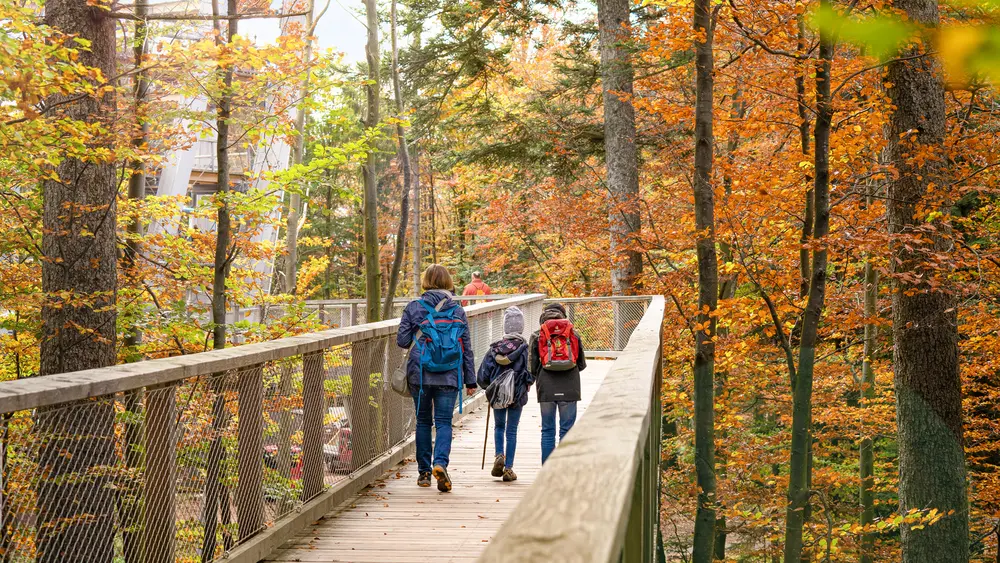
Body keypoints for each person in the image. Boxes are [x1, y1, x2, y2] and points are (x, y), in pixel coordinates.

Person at [397, 264, 477, 492]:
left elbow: (402, 341)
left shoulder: (414, 307)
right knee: (443, 422)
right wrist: (470, 380)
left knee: (423, 421)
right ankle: (440, 463)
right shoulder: (457, 310)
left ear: (426, 282)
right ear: (448, 282)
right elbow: (466, 347)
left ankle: (424, 473)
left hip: (420, 374)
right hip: (449, 374)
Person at [476, 306, 532, 482]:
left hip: (498, 396)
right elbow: (531, 373)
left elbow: (482, 376)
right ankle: (508, 469)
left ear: (505, 327)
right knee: (512, 430)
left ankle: (499, 454)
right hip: (517, 395)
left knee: (499, 426)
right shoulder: (525, 349)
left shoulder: (494, 349)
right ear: (521, 327)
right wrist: (526, 384)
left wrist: (490, 388)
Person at [529, 302, 587, 463]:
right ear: (563, 316)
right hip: (570, 387)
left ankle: (546, 470)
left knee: (547, 431)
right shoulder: (573, 333)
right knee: (566, 431)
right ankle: (563, 470)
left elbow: (532, 367)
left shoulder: (537, 335)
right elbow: (581, 364)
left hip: (546, 388)